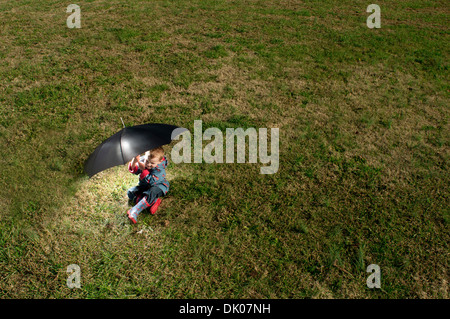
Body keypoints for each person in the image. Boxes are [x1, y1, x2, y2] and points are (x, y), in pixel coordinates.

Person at [126, 146, 169, 224]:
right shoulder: (145, 159)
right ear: (145, 156)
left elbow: (152, 182)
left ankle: (135, 210)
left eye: (152, 163)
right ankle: (153, 201)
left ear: (159, 161)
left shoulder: (160, 169)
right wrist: (134, 161)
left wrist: (144, 170)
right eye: (147, 161)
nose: (148, 164)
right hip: (145, 186)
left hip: (158, 186)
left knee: (151, 192)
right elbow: (135, 171)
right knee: (131, 192)